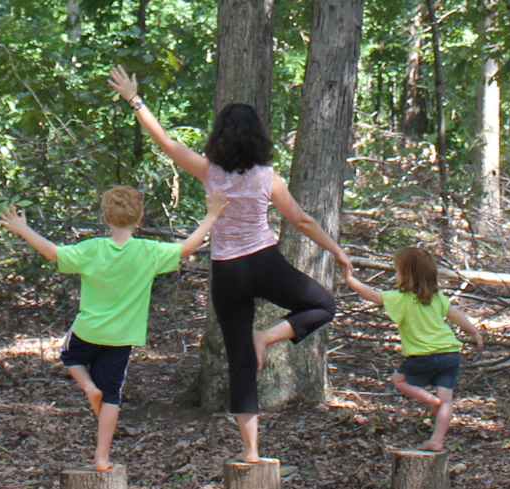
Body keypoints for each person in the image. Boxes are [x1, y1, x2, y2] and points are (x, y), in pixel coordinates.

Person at [108, 65, 353, 464]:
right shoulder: (267, 177)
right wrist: (336, 250)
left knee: (241, 364)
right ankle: (267, 338)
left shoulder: (210, 172)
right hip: (264, 262)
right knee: (323, 305)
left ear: (219, 136)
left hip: (227, 273)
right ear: (258, 137)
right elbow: (302, 220)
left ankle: (251, 450)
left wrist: (135, 100)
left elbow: (166, 142)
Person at [0, 186, 217, 471]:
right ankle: (102, 457)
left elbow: (53, 253)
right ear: (139, 219)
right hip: (122, 337)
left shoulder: (92, 249)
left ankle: (88, 386)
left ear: (105, 218)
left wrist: (22, 229)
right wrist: (211, 215)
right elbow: (188, 248)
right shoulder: (148, 252)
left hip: (88, 330)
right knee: (111, 395)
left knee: (70, 356)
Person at [340, 246, 484, 452]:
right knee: (447, 400)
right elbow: (455, 314)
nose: (396, 276)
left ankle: (430, 400)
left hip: (423, 355)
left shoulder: (402, 297)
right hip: (451, 354)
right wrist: (474, 332)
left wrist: (350, 280)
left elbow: (372, 295)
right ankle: (437, 440)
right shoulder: (437, 298)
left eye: (397, 271)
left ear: (407, 275)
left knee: (399, 380)